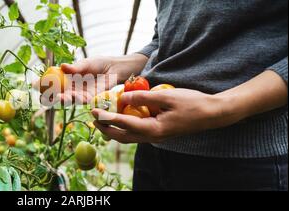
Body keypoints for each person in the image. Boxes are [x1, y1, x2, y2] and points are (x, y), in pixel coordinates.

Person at [60, 0, 288, 190]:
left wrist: (221, 107)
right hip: (153, 155)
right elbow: (167, 41)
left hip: (244, 160)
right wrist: (118, 65)